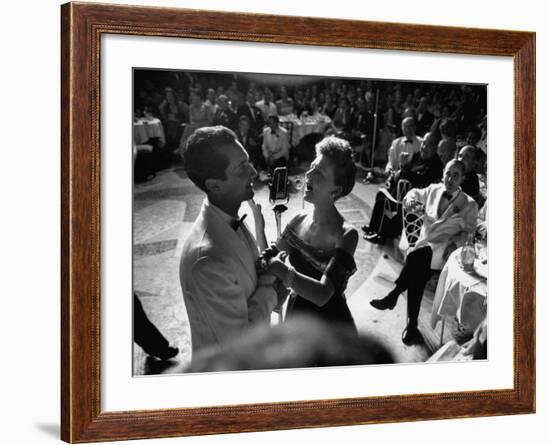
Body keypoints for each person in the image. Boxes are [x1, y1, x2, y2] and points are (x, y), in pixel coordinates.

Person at [179, 126, 280, 354]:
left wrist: (265, 265)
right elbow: (241, 343)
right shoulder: (206, 259)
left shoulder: (229, 215)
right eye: (242, 168)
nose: (254, 172)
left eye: (249, 162)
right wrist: (272, 286)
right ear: (214, 185)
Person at [370, 160, 478, 344]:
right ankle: (410, 321)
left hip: (445, 251)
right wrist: (414, 203)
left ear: (462, 178)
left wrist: (454, 245)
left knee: (416, 261)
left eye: (455, 175)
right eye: (448, 174)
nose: (450, 179)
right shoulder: (433, 189)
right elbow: (412, 194)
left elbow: (469, 233)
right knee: (418, 266)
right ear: (443, 173)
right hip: (423, 244)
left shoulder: (469, 204)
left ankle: (395, 296)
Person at [264, 136, 359, 329]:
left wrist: (283, 271)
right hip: (297, 314)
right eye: (313, 166)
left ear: (336, 189)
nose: (309, 174)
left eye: (321, 172)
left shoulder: (346, 234)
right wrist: (260, 225)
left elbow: (323, 294)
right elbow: (272, 255)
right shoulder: (298, 219)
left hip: (330, 325)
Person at [363, 132, 443, 244]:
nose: (425, 147)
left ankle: (381, 236)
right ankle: (373, 228)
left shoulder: (436, 166)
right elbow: (401, 174)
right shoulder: (417, 156)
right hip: (402, 195)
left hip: (418, 204)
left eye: (429, 145)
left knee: (388, 203)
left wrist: (406, 171)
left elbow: (420, 180)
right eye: (424, 143)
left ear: (435, 147)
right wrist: (402, 167)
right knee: (381, 195)